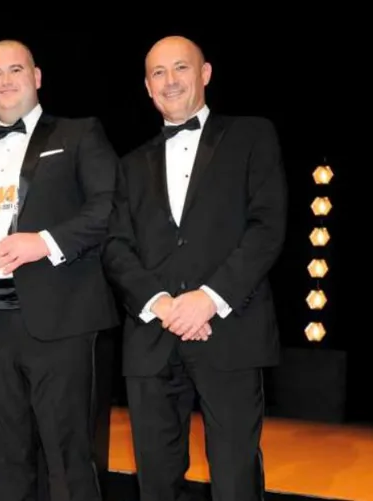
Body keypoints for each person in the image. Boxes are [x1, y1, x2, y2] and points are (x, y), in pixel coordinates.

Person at [102, 35, 287, 501]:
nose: (170, 81)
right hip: (152, 339)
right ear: (146, 87)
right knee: (157, 485)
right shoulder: (127, 165)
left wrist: (208, 299)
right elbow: (116, 247)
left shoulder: (251, 135)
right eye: (158, 73)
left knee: (235, 481)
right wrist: (164, 306)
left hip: (231, 332)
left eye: (180, 68)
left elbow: (267, 228)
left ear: (204, 74)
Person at [0, 39, 119, 501]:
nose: (5, 82)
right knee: (5, 458)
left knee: (69, 457)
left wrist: (43, 243)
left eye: (15, 70)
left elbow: (108, 208)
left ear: (37, 76)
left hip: (60, 319)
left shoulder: (79, 134)